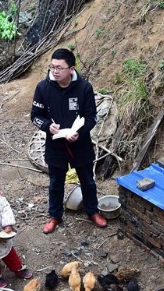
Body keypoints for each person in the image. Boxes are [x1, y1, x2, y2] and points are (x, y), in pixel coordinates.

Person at [31, 48, 107, 234]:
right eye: (52, 67)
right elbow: (35, 116)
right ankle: (54, 216)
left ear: (71, 69)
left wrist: (79, 133)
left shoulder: (84, 88)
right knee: (56, 182)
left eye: (59, 68)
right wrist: (48, 126)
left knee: (87, 180)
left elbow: (92, 117)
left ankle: (92, 211)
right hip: (55, 143)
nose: (55, 71)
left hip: (79, 143)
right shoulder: (43, 88)